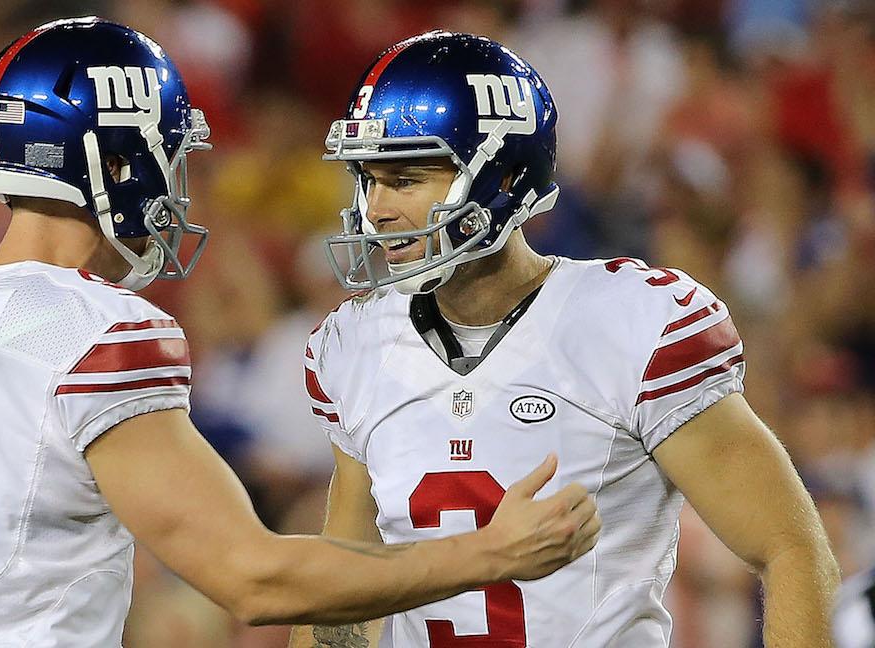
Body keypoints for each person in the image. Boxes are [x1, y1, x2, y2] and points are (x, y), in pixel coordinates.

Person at [0, 18, 602, 647]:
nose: (175, 184)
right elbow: (254, 579)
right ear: (114, 160)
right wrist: (485, 553)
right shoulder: (89, 329)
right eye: (164, 154)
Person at [289, 31, 838, 648]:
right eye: (368, 179)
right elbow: (344, 599)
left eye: (407, 177)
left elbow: (790, 548)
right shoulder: (356, 345)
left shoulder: (629, 325)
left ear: (501, 175)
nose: (377, 209)